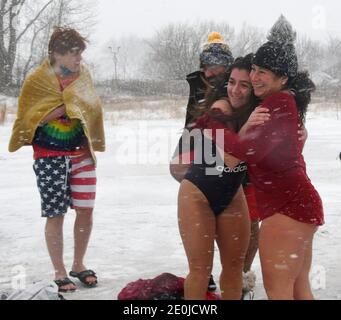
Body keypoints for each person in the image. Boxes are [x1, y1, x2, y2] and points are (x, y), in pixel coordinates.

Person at [194, 16, 324, 300]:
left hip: (287, 208)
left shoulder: (277, 103)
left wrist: (212, 125)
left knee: (279, 291)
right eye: (254, 69)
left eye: (263, 72)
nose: (254, 77)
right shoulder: (282, 102)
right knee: (299, 289)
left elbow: (246, 152)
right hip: (299, 205)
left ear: (283, 78)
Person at [8, 27, 105, 293]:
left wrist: (78, 106)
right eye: (73, 54)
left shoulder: (83, 76)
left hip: (81, 153)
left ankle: (78, 263)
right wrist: (67, 105)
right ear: (56, 54)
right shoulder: (37, 79)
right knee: (56, 212)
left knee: (86, 209)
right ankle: (60, 270)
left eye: (80, 54)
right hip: (49, 156)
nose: (78, 60)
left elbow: (91, 106)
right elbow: (31, 118)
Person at [171, 32, 234, 292]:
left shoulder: (235, 86)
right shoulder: (199, 84)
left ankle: (236, 269)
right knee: (192, 191)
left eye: (218, 63)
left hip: (232, 157)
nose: (212, 69)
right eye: (208, 63)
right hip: (200, 147)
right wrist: (184, 156)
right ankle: (203, 265)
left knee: (241, 217)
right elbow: (191, 123)